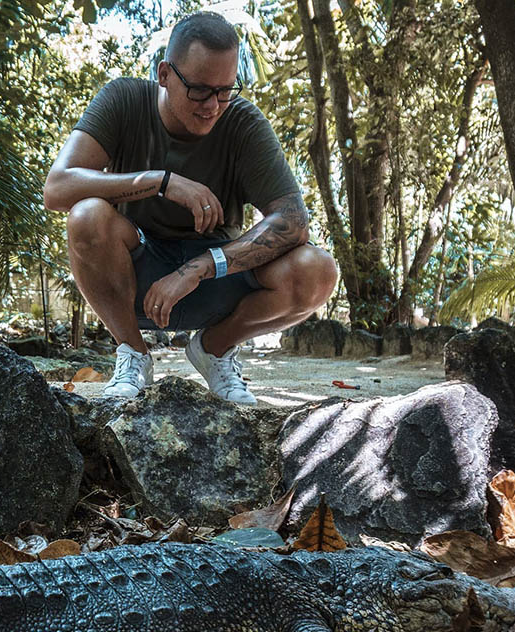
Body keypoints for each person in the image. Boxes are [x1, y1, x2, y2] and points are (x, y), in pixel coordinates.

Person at [44, 11, 337, 404]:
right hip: (137, 279)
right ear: (165, 74)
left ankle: (214, 349)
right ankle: (132, 354)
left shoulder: (243, 123)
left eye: (225, 90)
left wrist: (199, 268)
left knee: (318, 270)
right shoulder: (123, 99)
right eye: (199, 90)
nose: (212, 106)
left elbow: (293, 220)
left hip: (216, 279)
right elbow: (57, 189)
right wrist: (159, 182)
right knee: (85, 216)